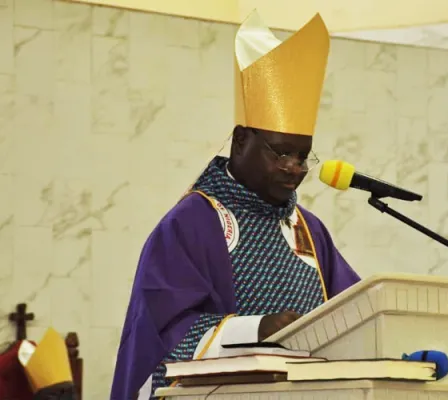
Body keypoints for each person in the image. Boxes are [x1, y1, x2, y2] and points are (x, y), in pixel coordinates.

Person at [110, 10, 361, 399]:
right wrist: (256, 330)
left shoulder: (309, 230)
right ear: (241, 140)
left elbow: (354, 313)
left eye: (302, 156)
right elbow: (160, 330)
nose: (294, 168)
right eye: (281, 153)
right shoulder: (193, 222)